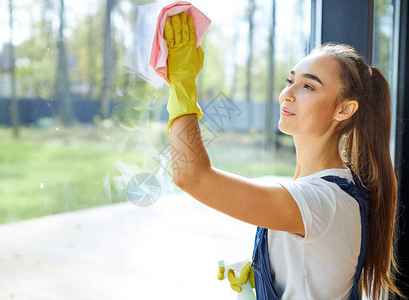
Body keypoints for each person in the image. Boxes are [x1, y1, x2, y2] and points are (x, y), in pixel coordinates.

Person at [163, 12, 401, 299]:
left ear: (344, 110)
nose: (287, 94)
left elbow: (190, 175)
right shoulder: (331, 191)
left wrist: (182, 83)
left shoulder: (322, 201)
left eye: (308, 86)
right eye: (290, 80)